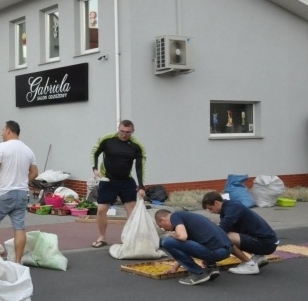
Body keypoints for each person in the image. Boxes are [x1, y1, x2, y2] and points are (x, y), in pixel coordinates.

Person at [0, 120, 39, 262]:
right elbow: (35, 173)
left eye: (3, 130)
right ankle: (18, 262)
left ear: (8, 131)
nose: (1, 133)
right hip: (21, 194)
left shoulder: (1, 147)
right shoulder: (28, 150)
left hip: (3, 193)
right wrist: (24, 181)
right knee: (19, 228)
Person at [90, 120, 146, 248]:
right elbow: (95, 152)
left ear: (132, 131)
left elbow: (139, 166)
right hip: (108, 180)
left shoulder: (136, 145)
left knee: (132, 211)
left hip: (126, 181)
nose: (124, 134)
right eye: (122, 131)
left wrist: (141, 186)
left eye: (127, 132)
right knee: (101, 210)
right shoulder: (108, 139)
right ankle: (102, 237)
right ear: (118, 128)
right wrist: (94, 168)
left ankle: (130, 238)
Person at [201, 191, 279, 275]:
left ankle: (250, 265)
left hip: (266, 243)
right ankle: (258, 256)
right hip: (266, 241)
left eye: (210, 208)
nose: (210, 212)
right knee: (228, 234)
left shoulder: (232, 207)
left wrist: (206, 242)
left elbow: (222, 230)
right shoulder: (229, 207)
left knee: (226, 238)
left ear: (216, 203)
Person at [154, 209, 233, 286]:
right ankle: (211, 268)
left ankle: (198, 273)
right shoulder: (188, 219)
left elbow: (183, 237)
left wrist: (171, 235)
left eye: (161, 227)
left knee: (167, 241)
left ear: (162, 220)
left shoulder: (175, 216)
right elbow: (185, 248)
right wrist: (175, 268)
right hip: (226, 250)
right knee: (202, 240)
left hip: (215, 251)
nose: (164, 230)